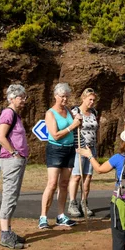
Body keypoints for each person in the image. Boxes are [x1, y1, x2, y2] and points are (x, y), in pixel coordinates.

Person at [39, 83, 83, 229]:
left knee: (64, 184)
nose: (64, 99)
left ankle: (61, 215)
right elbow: (56, 135)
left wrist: (78, 120)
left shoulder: (68, 110)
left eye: (66, 96)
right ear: (55, 96)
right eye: (62, 96)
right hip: (55, 149)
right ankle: (43, 217)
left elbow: (76, 124)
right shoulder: (50, 113)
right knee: (52, 184)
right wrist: (72, 126)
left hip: (70, 149)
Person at [0, 84, 29, 249]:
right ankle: (5, 234)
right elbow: (1, 136)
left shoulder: (15, 114)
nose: (24, 100)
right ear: (12, 98)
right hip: (11, 161)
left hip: (16, 160)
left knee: (13, 197)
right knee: (9, 196)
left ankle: (8, 231)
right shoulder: (8, 113)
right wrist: (14, 153)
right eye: (21, 97)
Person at [68, 88, 99, 218]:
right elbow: (70, 128)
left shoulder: (94, 112)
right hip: (79, 148)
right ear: (83, 98)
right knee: (76, 176)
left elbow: (96, 129)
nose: (91, 102)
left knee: (88, 176)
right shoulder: (75, 111)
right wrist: (76, 121)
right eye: (89, 99)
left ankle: (84, 202)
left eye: (93, 100)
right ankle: (72, 203)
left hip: (92, 148)